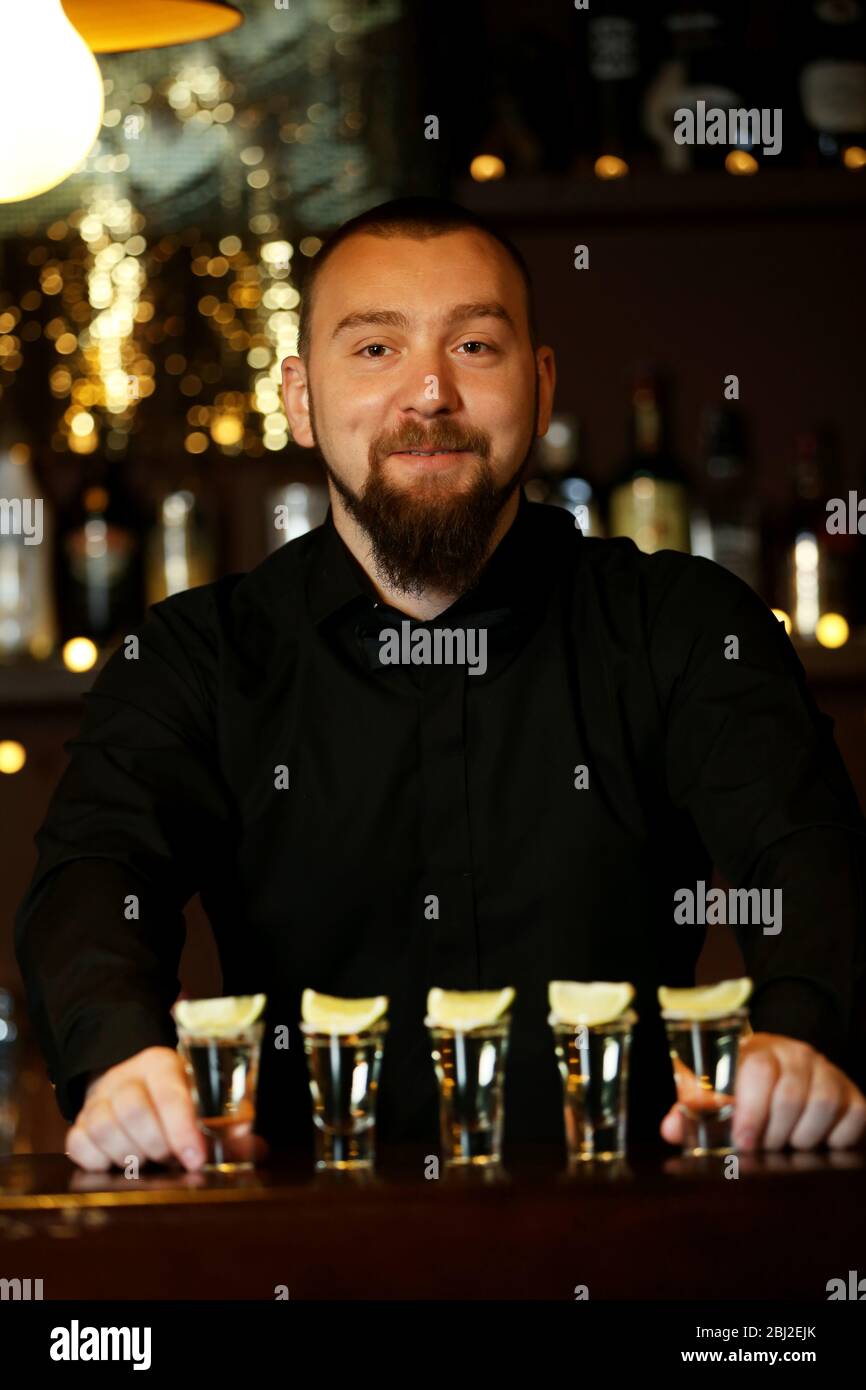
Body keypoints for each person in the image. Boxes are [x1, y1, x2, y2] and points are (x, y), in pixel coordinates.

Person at [15, 196, 866, 1173]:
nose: (427, 394)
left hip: (638, 1243)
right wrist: (122, 1059)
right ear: (298, 397)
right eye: (374, 350)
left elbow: (804, 858)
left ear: (540, 387)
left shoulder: (684, 627)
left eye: (473, 346)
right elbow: (95, 873)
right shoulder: (196, 657)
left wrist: (800, 1038)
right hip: (297, 1255)